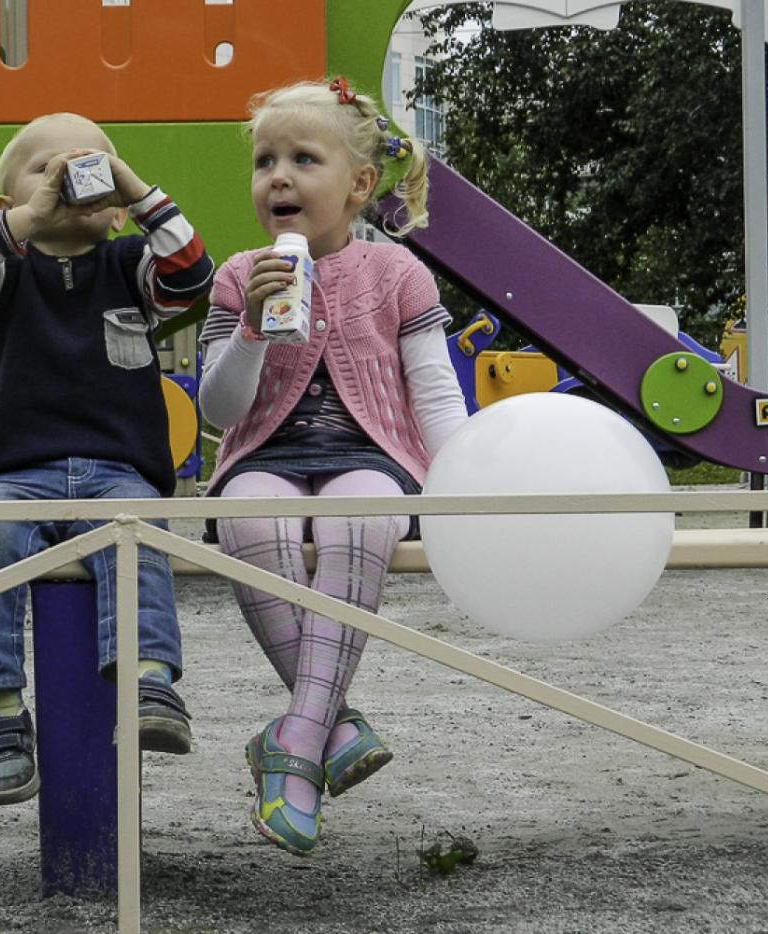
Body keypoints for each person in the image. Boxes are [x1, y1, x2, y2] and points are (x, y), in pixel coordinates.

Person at [197, 77, 470, 854]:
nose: (277, 176)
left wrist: (463, 481)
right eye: (264, 161)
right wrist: (249, 327)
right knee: (249, 520)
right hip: (266, 452)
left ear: (358, 185)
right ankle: (329, 728)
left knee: (361, 518)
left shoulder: (397, 275)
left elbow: (435, 395)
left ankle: (293, 749)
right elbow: (219, 411)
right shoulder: (236, 274)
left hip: (370, 453)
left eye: (302, 159)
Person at [0, 112, 214, 806]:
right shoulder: (4, 277)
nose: (69, 173)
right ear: (9, 209)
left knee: (136, 540)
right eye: (44, 166)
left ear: (117, 211)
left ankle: (148, 682)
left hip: (120, 473)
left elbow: (191, 273)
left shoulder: (128, 268)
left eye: (89, 166)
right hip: (16, 474)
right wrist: (34, 215)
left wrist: (134, 189)